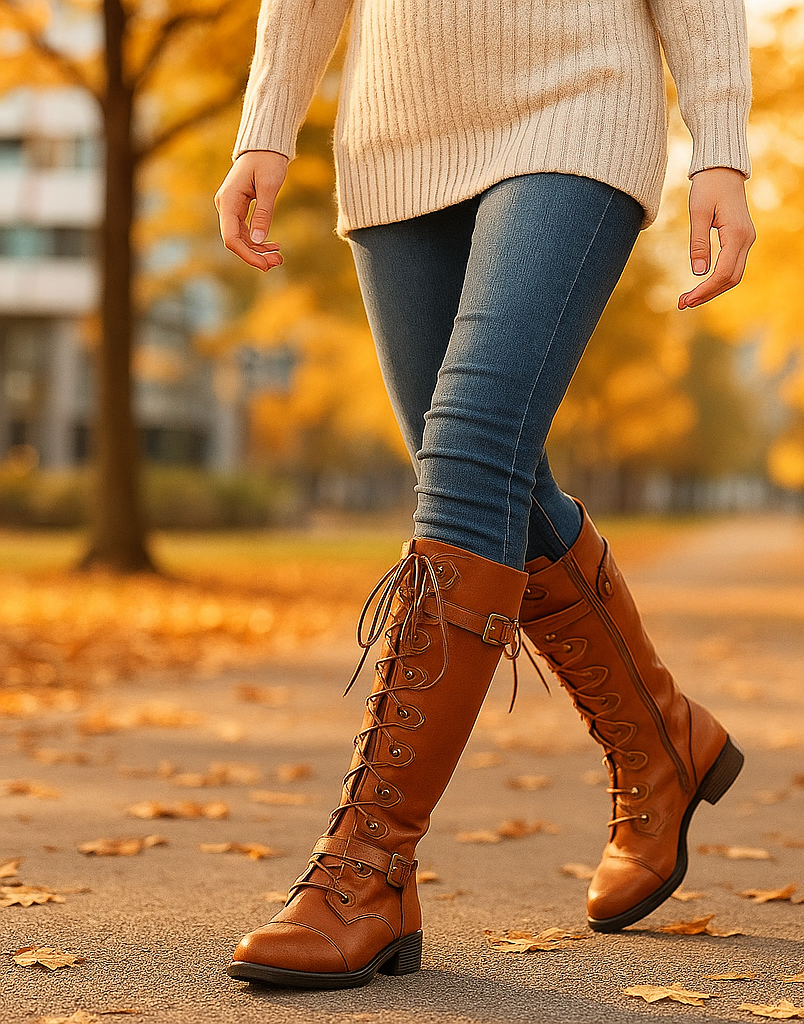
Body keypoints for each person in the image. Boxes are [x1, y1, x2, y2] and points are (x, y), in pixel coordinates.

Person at [215, 0, 755, 992]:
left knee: (466, 460)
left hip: (577, 98)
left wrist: (720, 144)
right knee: (484, 467)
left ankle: (366, 868)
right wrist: (267, 121)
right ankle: (660, 739)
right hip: (397, 122)